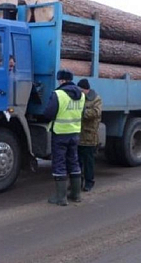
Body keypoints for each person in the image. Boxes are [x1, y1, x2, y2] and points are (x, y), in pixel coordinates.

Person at [43, 69, 85, 206]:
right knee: (74, 161)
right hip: (74, 133)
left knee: (59, 163)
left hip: (60, 134)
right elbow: (82, 113)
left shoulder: (58, 94)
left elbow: (48, 113)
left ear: (61, 80)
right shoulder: (82, 95)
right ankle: (76, 194)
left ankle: (61, 197)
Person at [77, 78, 102, 192]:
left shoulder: (95, 99)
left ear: (85, 89)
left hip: (89, 135)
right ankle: (77, 182)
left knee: (88, 162)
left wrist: (82, 112)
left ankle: (89, 182)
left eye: (81, 89)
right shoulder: (79, 98)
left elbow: (96, 112)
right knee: (77, 161)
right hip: (78, 135)